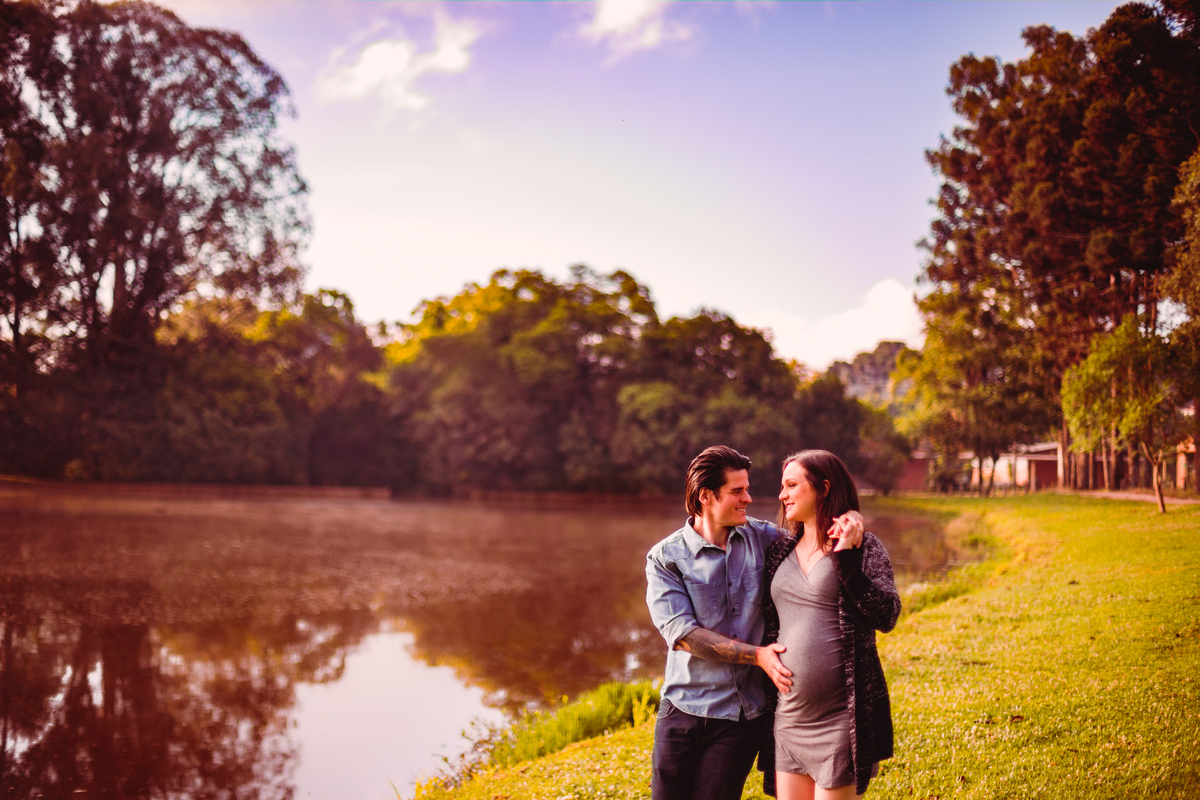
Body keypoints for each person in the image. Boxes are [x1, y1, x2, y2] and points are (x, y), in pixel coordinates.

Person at [645, 445, 864, 800]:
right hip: (681, 710)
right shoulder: (665, 558)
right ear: (705, 496)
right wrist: (758, 656)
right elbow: (684, 636)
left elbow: (816, 526)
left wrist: (850, 516)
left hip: (741, 717)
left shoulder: (765, 539)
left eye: (746, 488)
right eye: (737, 491)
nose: (748, 498)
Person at [760, 450, 901, 800]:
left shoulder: (863, 547)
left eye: (792, 485)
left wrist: (846, 560)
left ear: (823, 488)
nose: (782, 495)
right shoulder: (778, 550)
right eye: (783, 486)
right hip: (789, 718)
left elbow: (887, 615)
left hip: (841, 719)